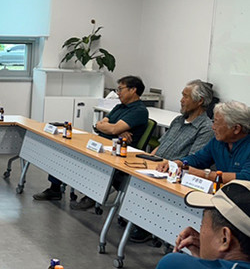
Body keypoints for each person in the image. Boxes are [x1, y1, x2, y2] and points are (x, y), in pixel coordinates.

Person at [34, 76, 149, 209]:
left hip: (117, 151)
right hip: (101, 143)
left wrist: (113, 129)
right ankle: (55, 189)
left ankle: (92, 197)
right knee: (64, 149)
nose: (118, 93)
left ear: (133, 90)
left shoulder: (139, 111)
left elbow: (112, 128)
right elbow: (100, 124)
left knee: (91, 161)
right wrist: (115, 129)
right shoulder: (119, 107)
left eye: (120, 89)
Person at [156, 101, 250, 182]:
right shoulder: (218, 141)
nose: (213, 127)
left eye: (217, 123)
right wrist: (179, 163)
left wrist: (202, 174)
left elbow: (245, 177)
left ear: (236, 129)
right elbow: (198, 159)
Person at [151, 79, 214, 160]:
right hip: (155, 164)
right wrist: (149, 159)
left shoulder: (206, 128)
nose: (181, 100)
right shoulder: (178, 120)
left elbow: (193, 160)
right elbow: (160, 146)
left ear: (200, 101)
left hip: (171, 167)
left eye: (186, 96)